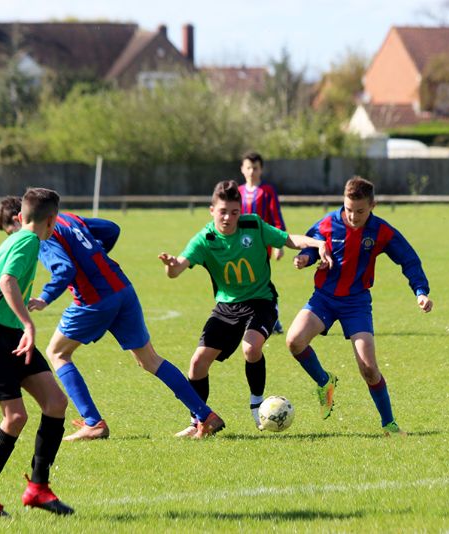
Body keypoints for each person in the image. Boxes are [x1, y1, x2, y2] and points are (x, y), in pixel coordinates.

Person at [0, 196, 225, 441]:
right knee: (150, 360)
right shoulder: (68, 217)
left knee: (57, 353)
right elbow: (111, 229)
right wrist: (94, 256)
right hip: (122, 288)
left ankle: (92, 422)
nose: (15, 240)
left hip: (95, 299)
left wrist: (45, 297)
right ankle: (205, 415)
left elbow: (65, 269)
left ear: (20, 218)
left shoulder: (41, 235)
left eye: (11, 233)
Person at [159, 179, 331, 436]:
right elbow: (178, 268)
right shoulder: (204, 239)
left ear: (241, 211)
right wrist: (171, 265)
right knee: (197, 364)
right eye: (222, 211)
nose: (228, 217)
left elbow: (289, 240)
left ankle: (256, 403)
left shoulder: (253, 225)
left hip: (261, 301)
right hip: (226, 307)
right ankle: (200, 421)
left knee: (251, 348)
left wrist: (317, 244)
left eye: (234, 212)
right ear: (211, 210)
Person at [285, 176, 433, 436]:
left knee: (368, 368)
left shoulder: (381, 231)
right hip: (324, 298)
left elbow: (409, 259)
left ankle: (389, 424)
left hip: (356, 303)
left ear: (373, 205)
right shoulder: (329, 222)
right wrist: (304, 259)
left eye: (360, 211)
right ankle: (324, 381)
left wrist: (420, 291)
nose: (353, 216)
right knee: (294, 341)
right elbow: (312, 244)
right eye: (349, 209)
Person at [0, 188, 73, 519]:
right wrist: (29, 324)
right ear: (52, 220)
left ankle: (38, 488)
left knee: (55, 403)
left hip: (8, 333)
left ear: (21, 215)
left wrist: (20, 323)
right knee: (15, 417)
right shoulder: (27, 242)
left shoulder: (20, 237)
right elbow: (7, 282)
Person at [238, 151, 287, 333]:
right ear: (242, 169)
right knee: (244, 280)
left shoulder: (267, 191)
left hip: (260, 246)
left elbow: (276, 217)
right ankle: (253, 317)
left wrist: (278, 244)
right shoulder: (238, 192)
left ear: (261, 169)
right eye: (248, 167)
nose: (252, 171)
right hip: (239, 246)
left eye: (255, 168)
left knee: (260, 281)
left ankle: (272, 318)